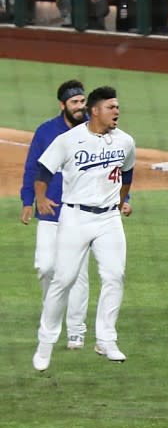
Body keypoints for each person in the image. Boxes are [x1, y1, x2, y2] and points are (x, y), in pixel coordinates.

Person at [32, 86, 136, 371]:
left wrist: (120, 200)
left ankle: (106, 338)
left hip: (108, 220)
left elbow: (127, 173)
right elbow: (42, 173)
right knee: (63, 279)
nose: (116, 111)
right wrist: (40, 199)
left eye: (117, 106)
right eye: (111, 107)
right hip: (75, 217)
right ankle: (46, 342)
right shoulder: (68, 140)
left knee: (115, 276)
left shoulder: (125, 141)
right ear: (95, 111)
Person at [21, 80, 92, 351]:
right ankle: (51, 315)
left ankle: (76, 331)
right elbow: (32, 168)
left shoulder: (95, 130)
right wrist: (29, 200)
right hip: (50, 212)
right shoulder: (46, 131)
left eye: (82, 101)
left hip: (82, 216)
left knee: (78, 275)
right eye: (74, 102)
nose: (80, 107)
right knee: (45, 267)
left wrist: (125, 200)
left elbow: (115, 167)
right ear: (63, 105)